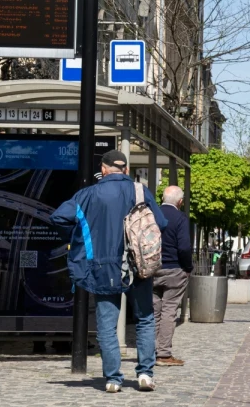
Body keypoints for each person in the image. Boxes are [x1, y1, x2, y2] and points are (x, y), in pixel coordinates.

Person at [52, 150, 166, 393]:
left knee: (107, 324)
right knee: (145, 318)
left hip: (103, 266)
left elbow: (59, 217)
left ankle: (113, 378)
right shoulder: (139, 191)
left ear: (103, 170)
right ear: (125, 169)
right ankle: (145, 374)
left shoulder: (88, 194)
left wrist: (78, 239)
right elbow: (162, 223)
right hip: (139, 265)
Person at [153, 185, 192, 367]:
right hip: (174, 270)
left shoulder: (152, 214)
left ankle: (148, 351)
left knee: (153, 311)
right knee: (169, 311)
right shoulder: (180, 218)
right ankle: (163, 353)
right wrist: (187, 267)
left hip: (152, 269)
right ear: (180, 201)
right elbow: (184, 247)